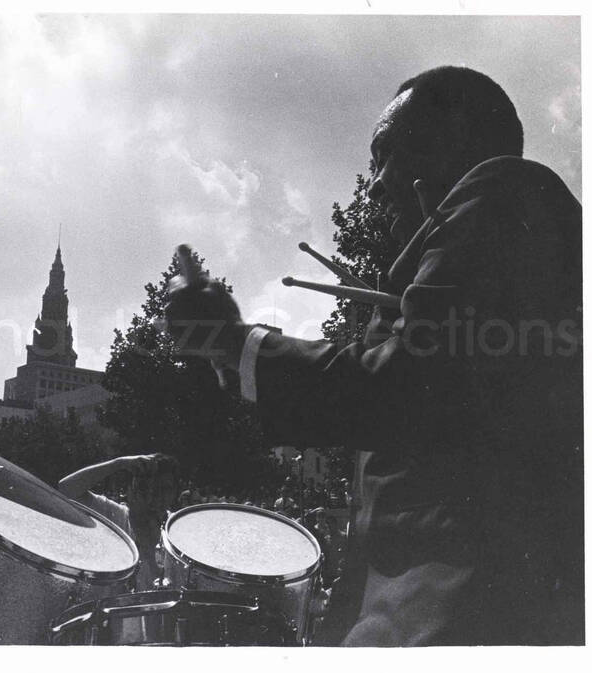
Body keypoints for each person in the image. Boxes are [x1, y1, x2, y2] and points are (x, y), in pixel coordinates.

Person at [163, 66, 582, 646]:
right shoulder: (508, 240)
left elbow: (404, 387)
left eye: (385, 152)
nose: (377, 182)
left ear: (456, 132)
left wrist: (231, 342)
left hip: (455, 617)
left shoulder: (502, 190)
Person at [58, 453, 179, 590]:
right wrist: (118, 464)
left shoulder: (177, 527)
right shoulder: (115, 514)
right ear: (132, 488)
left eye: (166, 489)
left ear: (175, 492)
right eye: (150, 488)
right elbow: (66, 490)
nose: (157, 496)